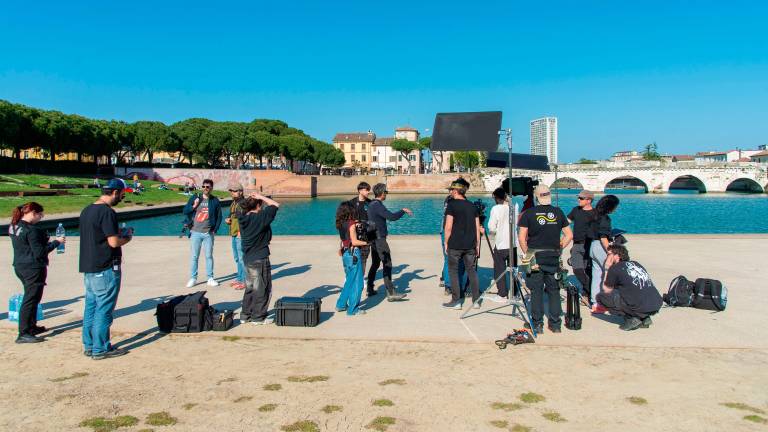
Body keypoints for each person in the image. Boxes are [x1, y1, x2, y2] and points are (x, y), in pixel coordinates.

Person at [79, 179, 133, 360]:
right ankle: (100, 348)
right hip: (106, 267)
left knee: (91, 307)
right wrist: (127, 238)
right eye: (122, 193)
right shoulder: (107, 212)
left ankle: (89, 344)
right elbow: (113, 242)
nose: (122, 196)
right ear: (115, 192)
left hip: (89, 267)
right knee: (104, 309)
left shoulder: (86, 210)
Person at [518, 184, 573, 333]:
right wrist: (561, 246)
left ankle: (537, 323)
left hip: (534, 253)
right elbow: (569, 235)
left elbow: (522, 237)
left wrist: (527, 254)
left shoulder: (528, 213)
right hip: (553, 254)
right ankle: (555, 324)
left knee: (536, 291)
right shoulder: (558, 212)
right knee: (553, 290)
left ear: (536, 197)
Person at [9, 202, 65, 343]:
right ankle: (23, 332)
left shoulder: (14, 226)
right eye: (40, 215)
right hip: (33, 267)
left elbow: (25, 244)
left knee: (32, 298)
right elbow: (40, 252)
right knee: (30, 299)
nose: (41, 218)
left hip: (20, 265)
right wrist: (56, 242)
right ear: (33, 213)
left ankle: (31, 326)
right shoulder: (32, 230)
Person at [596, 244, 662, 330]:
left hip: (642, 305)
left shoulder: (615, 268)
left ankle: (633, 318)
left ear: (616, 256)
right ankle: (645, 317)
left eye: (609, 254)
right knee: (626, 293)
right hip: (656, 303)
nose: (607, 257)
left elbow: (606, 289)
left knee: (601, 297)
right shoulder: (636, 264)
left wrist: (606, 268)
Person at [239, 192, 280, 325]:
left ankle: (246, 314)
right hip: (260, 257)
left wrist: (256, 198)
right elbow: (275, 205)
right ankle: (258, 316)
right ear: (258, 205)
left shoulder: (243, 217)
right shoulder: (261, 217)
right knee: (262, 288)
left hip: (247, 257)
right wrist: (261, 197)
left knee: (250, 287)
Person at [442, 179, 482, 310]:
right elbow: (477, 228)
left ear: (455, 191)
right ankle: (476, 301)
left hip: (455, 244)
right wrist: (478, 246)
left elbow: (448, 226)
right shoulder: (472, 206)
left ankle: (456, 301)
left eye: (451, 190)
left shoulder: (451, 205)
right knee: (472, 271)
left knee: (453, 271)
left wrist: (446, 242)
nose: (450, 193)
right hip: (470, 245)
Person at [367, 183, 410, 301]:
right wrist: (403, 211)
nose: (386, 194)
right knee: (387, 264)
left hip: (373, 238)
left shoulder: (372, 204)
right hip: (379, 239)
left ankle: (370, 288)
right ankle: (391, 292)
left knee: (375, 264)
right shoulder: (377, 205)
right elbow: (392, 217)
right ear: (381, 193)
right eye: (386, 192)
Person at [183, 179, 223, 288]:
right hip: (195, 232)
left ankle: (210, 278)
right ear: (202, 187)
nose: (206, 188)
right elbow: (185, 211)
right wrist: (194, 206)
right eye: (204, 186)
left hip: (208, 233)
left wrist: (215, 229)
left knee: (209, 256)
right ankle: (193, 278)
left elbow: (219, 216)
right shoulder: (195, 198)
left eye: (208, 187)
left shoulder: (215, 201)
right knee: (194, 256)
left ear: (211, 188)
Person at [335, 201, 369, 316]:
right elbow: (354, 241)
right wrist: (367, 242)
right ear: (351, 211)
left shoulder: (341, 223)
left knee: (349, 280)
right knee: (358, 283)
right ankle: (353, 309)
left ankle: (341, 304)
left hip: (345, 254)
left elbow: (344, 239)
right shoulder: (351, 224)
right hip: (354, 253)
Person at [589, 194, 620, 312]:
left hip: (592, 246)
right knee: (609, 274)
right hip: (601, 246)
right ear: (610, 207)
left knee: (596, 274)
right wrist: (610, 251)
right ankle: (608, 301)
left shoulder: (594, 215)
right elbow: (603, 237)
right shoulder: (605, 218)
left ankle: (595, 303)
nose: (616, 209)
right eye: (615, 206)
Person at [347, 182, 375, 296]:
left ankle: (361, 278)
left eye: (368, 190)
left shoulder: (371, 203)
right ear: (360, 190)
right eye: (366, 190)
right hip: (354, 235)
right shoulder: (352, 203)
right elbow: (346, 218)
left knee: (364, 258)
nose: (368, 192)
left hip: (366, 235)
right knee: (352, 258)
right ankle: (350, 277)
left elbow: (373, 219)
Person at [567, 189, 595, 303]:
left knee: (588, 270)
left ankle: (586, 294)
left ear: (589, 200)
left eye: (581, 198)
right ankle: (591, 290)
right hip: (577, 245)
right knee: (577, 270)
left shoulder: (595, 213)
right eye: (578, 198)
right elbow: (566, 222)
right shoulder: (576, 210)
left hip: (589, 245)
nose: (579, 200)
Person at [486, 187, 511, 302]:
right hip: (513, 243)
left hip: (501, 243)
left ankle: (502, 293)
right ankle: (514, 291)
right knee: (512, 269)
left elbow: (491, 227)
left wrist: (493, 232)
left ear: (496, 198)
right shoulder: (512, 207)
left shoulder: (495, 209)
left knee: (499, 269)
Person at [224, 182, 247, 290]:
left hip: (239, 234)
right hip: (234, 233)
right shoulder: (234, 202)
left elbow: (246, 219)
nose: (232, 193)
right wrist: (228, 220)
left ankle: (245, 281)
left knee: (242, 258)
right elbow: (233, 216)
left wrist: (240, 232)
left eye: (234, 191)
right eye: (231, 191)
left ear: (240, 192)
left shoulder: (243, 203)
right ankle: (239, 278)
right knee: (237, 258)